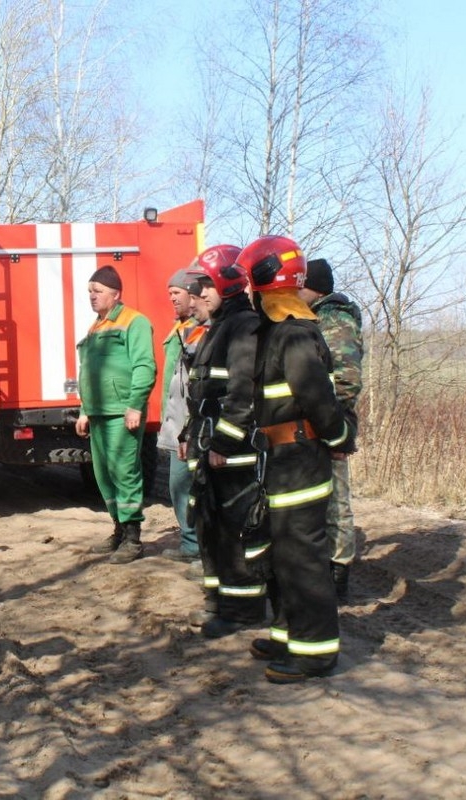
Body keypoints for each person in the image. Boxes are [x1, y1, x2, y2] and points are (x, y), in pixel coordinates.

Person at [237, 235, 348, 684]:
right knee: (282, 555)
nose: (244, 291)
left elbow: (321, 404)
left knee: (302, 557)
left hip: (300, 461)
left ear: (266, 281)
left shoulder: (295, 333)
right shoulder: (273, 331)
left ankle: (315, 652)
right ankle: (287, 634)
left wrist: (340, 436)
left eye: (248, 283)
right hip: (279, 461)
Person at [180, 245, 268, 638]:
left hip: (233, 454)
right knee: (210, 525)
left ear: (227, 283)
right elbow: (204, 393)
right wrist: (189, 435)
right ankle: (218, 602)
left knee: (234, 531)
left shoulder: (243, 326)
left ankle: (243, 610)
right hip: (209, 447)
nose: (199, 293)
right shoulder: (220, 326)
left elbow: (241, 393)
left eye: (206, 285)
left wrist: (224, 445)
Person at [75, 265, 156, 564]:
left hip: (122, 412)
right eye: (89, 292)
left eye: (98, 292)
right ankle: (119, 530)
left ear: (116, 294)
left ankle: (134, 538)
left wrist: (135, 404)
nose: (92, 297)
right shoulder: (96, 326)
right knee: (104, 475)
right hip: (97, 412)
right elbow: (89, 372)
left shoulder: (134, 322)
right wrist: (84, 410)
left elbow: (145, 366)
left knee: (124, 472)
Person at [300, 259, 363, 602]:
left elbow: (347, 379)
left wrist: (334, 426)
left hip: (333, 424)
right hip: (318, 422)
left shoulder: (335, 319)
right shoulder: (314, 318)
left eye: (301, 286)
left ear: (316, 288)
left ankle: (338, 575)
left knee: (336, 501)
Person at [157, 269, 205, 563]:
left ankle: (200, 549)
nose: (172, 298)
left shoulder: (202, 329)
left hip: (193, 423)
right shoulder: (180, 328)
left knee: (189, 485)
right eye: (170, 293)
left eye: (177, 293)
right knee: (178, 486)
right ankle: (190, 544)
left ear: (192, 294)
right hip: (177, 420)